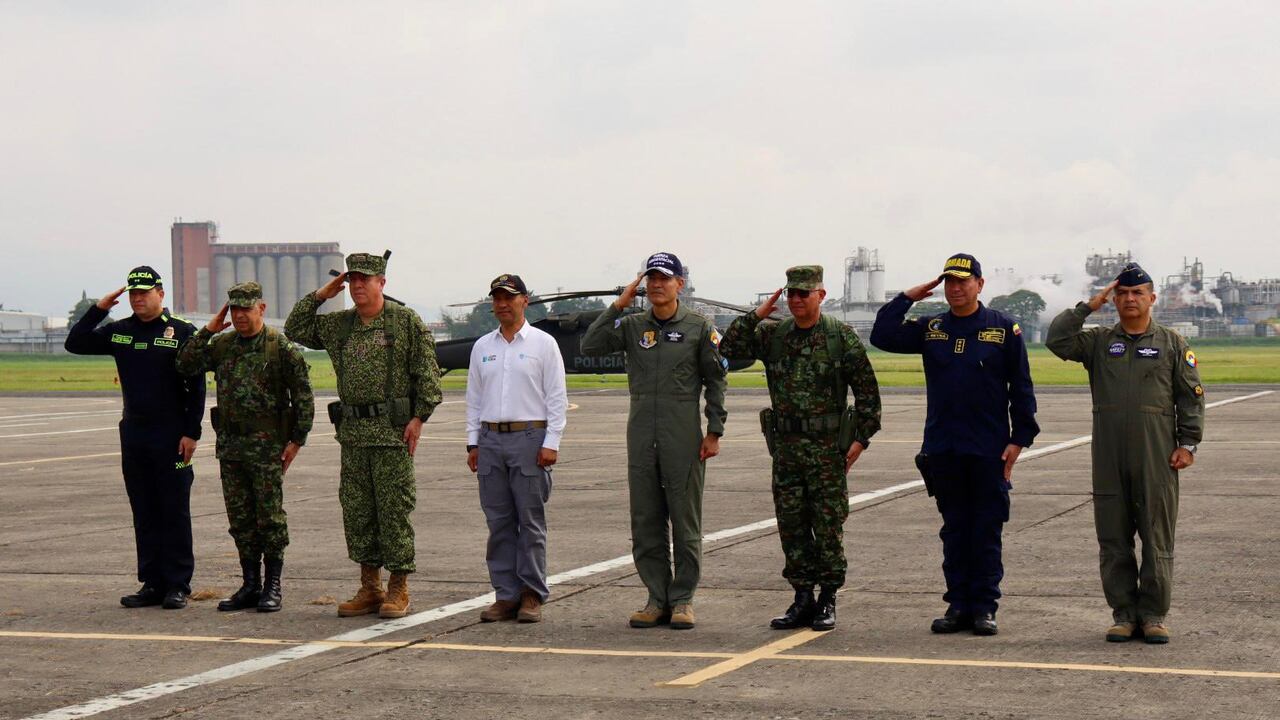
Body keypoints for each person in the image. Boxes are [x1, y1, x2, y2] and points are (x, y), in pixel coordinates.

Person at [870, 253, 1039, 636]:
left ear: (980, 284)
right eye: (949, 282)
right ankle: (958, 605)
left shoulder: (1003, 329)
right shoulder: (932, 328)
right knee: (955, 529)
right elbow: (881, 336)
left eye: (963, 281)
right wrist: (908, 297)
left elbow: (1021, 387)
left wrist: (1020, 439)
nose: (956, 288)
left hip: (988, 448)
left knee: (986, 528)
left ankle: (984, 607)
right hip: (944, 447)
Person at [1045, 262, 1205, 644]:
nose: (1130, 299)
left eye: (1138, 293)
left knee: (1156, 537)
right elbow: (1057, 341)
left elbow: (1192, 395)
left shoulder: (1171, 343)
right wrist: (1087, 306)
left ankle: (1152, 615)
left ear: (1152, 298)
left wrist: (1188, 443)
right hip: (1109, 456)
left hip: (1157, 456)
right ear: (1113, 299)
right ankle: (1123, 613)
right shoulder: (1099, 342)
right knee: (1113, 538)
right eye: (1122, 294)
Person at [720, 265, 881, 631]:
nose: (795, 300)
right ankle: (802, 597)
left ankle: (827, 598)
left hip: (827, 452)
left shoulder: (841, 337)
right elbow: (729, 349)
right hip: (787, 450)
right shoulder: (774, 335)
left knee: (827, 526)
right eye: (791, 293)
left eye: (803, 294)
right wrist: (756, 314)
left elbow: (868, 394)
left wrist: (860, 440)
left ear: (820, 295)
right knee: (791, 526)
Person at [285, 252, 442, 619]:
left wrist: (419, 417)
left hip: (391, 434)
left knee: (394, 511)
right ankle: (370, 586)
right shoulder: (340, 325)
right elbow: (295, 327)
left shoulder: (404, 322)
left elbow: (428, 376)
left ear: (381, 283)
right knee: (357, 512)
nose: (357, 286)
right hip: (353, 435)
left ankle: (398, 587)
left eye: (364, 279)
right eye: (351, 280)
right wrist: (323, 294)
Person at [580, 252, 728, 630]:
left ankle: (682, 600)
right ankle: (656, 597)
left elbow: (715, 379)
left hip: (682, 433)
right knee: (645, 519)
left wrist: (714, 430)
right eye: (650, 278)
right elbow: (591, 345)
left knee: (684, 520)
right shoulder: (631, 325)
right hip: (642, 431)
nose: (657, 284)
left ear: (680, 283)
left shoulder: (698, 327)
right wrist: (618, 304)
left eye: (664, 277)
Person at [64, 266, 205, 609]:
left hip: (171, 435)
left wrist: (192, 432)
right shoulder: (120, 331)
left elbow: (197, 385)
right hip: (135, 433)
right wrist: (99, 308)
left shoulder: (182, 332)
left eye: (144, 292)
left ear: (161, 293)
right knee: (144, 508)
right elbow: (75, 342)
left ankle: (177, 584)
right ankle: (152, 582)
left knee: (173, 508)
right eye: (133, 293)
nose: (138, 299)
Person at [175, 281, 315, 613]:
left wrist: (297, 440)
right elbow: (185, 364)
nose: (239, 316)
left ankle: (272, 585)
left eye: (246, 309)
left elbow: (304, 396)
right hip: (232, 446)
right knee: (240, 518)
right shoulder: (223, 345)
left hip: (267, 447)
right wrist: (207, 330)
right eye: (234, 309)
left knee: (269, 517)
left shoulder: (280, 348)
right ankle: (250, 584)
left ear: (261, 309)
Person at [465, 274, 568, 624]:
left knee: (530, 522)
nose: (502, 304)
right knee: (499, 523)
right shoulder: (483, 347)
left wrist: (551, 442)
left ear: (525, 300)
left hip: (529, 438)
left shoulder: (543, 344)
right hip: (491, 439)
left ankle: (531, 594)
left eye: (509, 297)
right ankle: (505, 594)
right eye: (496, 298)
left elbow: (557, 397)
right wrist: (473, 442)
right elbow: (474, 399)